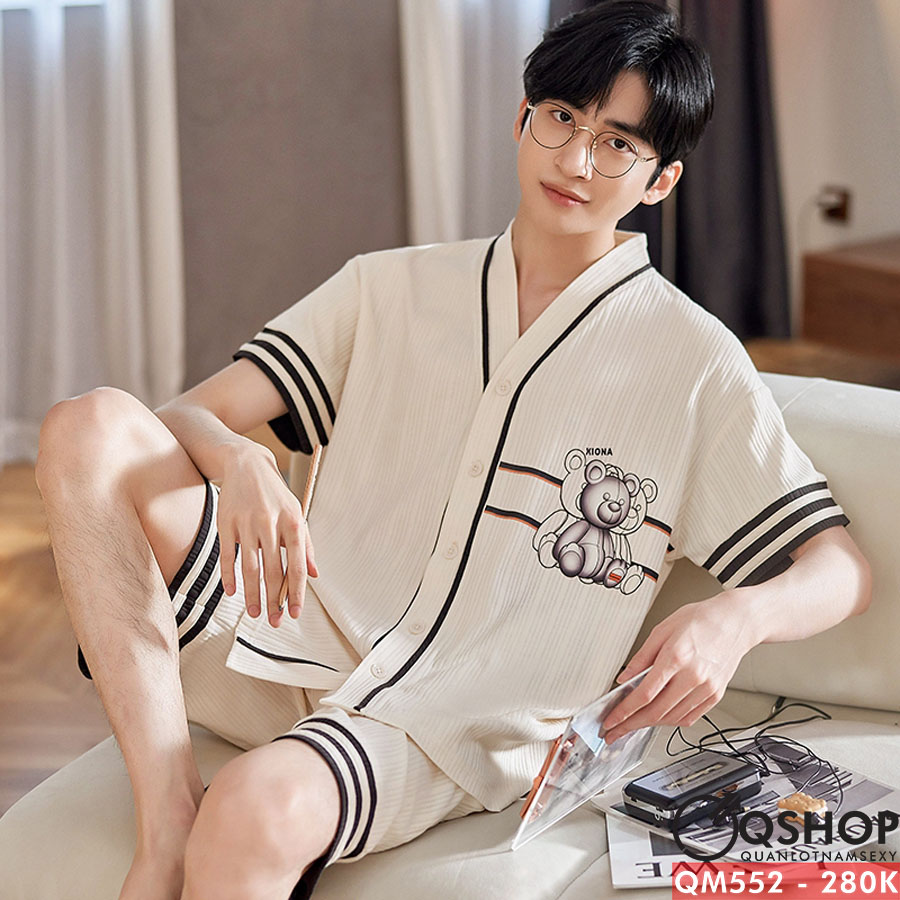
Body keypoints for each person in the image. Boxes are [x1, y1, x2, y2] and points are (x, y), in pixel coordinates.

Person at [34, 2, 871, 898]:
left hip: (451, 723)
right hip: (289, 635)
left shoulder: (692, 362)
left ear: (661, 180)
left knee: (254, 809)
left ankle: (226, 814)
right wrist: (241, 459)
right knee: (88, 424)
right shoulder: (389, 287)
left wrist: (734, 619)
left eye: (617, 144)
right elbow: (181, 416)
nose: (575, 161)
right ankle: (167, 822)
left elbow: (839, 568)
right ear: (521, 119)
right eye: (561, 119)